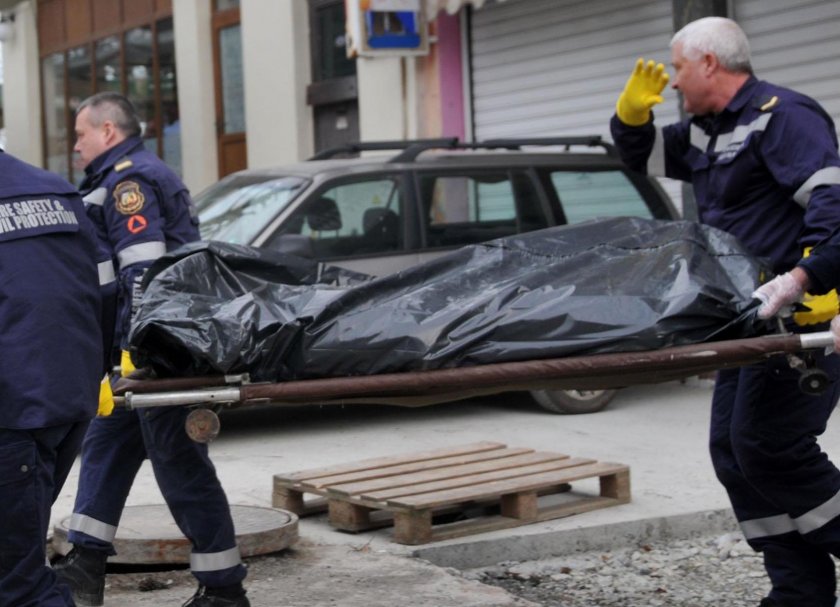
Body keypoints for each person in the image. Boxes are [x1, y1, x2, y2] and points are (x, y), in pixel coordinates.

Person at [610, 16, 840, 607]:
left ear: (710, 63)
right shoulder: (707, 130)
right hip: (747, 316)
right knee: (734, 452)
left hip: (801, 314)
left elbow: (832, 203)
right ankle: (800, 594)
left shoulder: (783, 117)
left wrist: (805, 279)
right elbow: (647, 156)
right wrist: (629, 119)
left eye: (679, 68)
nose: (675, 84)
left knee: (769, 447)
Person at [53, 92, 249, 607]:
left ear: (109, 132)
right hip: (141, 352)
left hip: (156, 356)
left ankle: (224, 590)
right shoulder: (119, 177)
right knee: (104, 446)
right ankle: (85, 564)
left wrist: (135, 354)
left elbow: (142, 270)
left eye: (81, 134)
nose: (76, 146)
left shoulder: (129, 182)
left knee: (179, 465)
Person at [0, 150, 108, 605]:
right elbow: (106, 288)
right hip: (69, 399)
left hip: (13, 412)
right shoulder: (56, 190)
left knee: (18, 584)